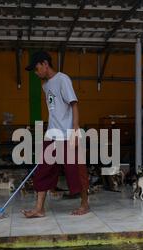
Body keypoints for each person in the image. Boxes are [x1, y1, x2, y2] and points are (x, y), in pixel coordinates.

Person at [23, 51, 90, 218]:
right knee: (43, 171)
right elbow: (54, 111)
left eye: (37, 68)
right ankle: (39, 209)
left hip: (68, 134)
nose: (36, 72)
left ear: (45, 64)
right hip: (52, 135)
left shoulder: (62, 79)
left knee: (76, 171)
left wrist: (75, 131)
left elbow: (74, 105)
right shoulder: (45, 86)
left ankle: (85, 204)